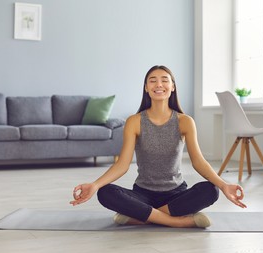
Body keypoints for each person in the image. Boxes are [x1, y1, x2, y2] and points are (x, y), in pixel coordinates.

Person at [70, 65, 246, 228]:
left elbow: (198, 161)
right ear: (146, 87)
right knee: (105, 192)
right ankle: (176, 222)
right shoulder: (134, 121)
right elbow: (122, 165)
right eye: (152, 80)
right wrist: (94, 185)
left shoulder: (185, 121)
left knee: (211, 190)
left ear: (173, 86)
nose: (159, 84)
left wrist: (224, 185)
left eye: (164, 80)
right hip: (142, 194)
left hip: (175, 194)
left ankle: (139, 216)